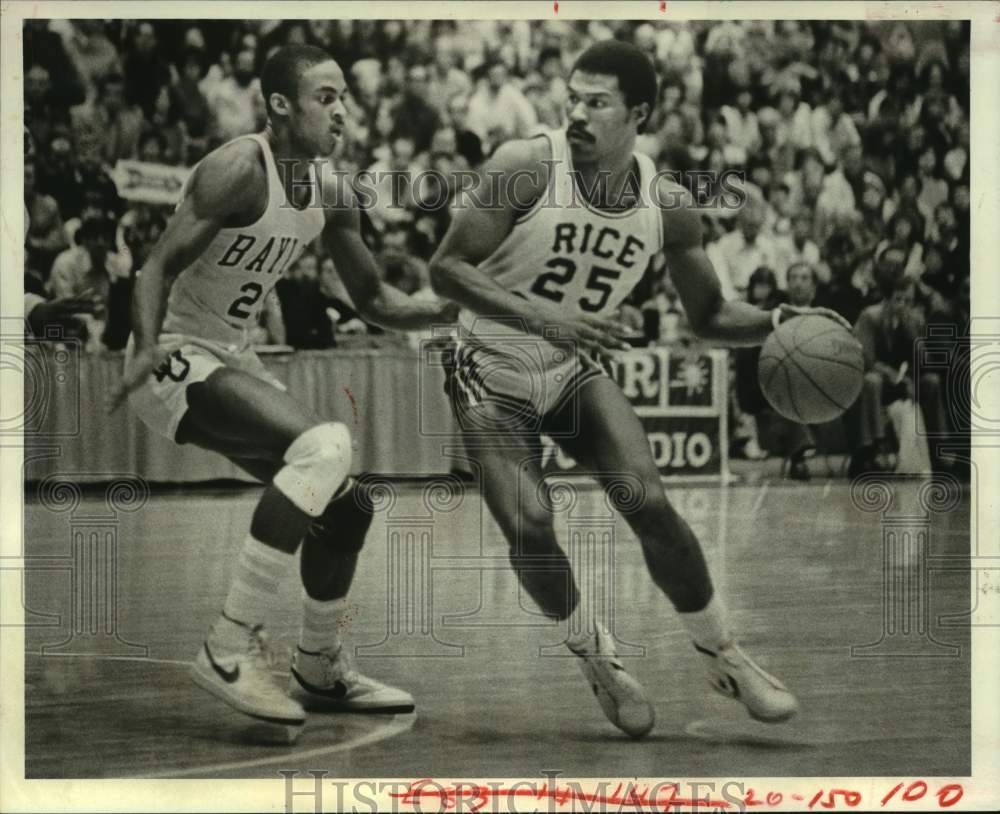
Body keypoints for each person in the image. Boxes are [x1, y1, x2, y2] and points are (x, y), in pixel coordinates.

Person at [429, 40, 848, 737]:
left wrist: (779, 320)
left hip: (568, 372)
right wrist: (543, 316)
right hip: (487, 365)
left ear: (639, 114)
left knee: (648, 500)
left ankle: (723, 653)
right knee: (532, 525)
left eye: (597, 103)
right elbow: (446, 269)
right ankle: (596, 655)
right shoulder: (524, 167)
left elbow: (711, 315)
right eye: (573, 98)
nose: (577, 114)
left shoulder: (669, 205)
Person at [111, 45, 454, 732]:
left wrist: (455, 310)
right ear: (279, 106)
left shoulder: (333, 190)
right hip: (178, 353)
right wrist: (146, 346)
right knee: (327, 447)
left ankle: (318, 666)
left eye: (344, 96)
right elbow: (154, 267)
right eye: (325, 96)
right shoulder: (240, 168)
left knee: (348, 507)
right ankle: (227, 647)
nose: (340, 109)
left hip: (232, 354)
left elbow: (376, 300)